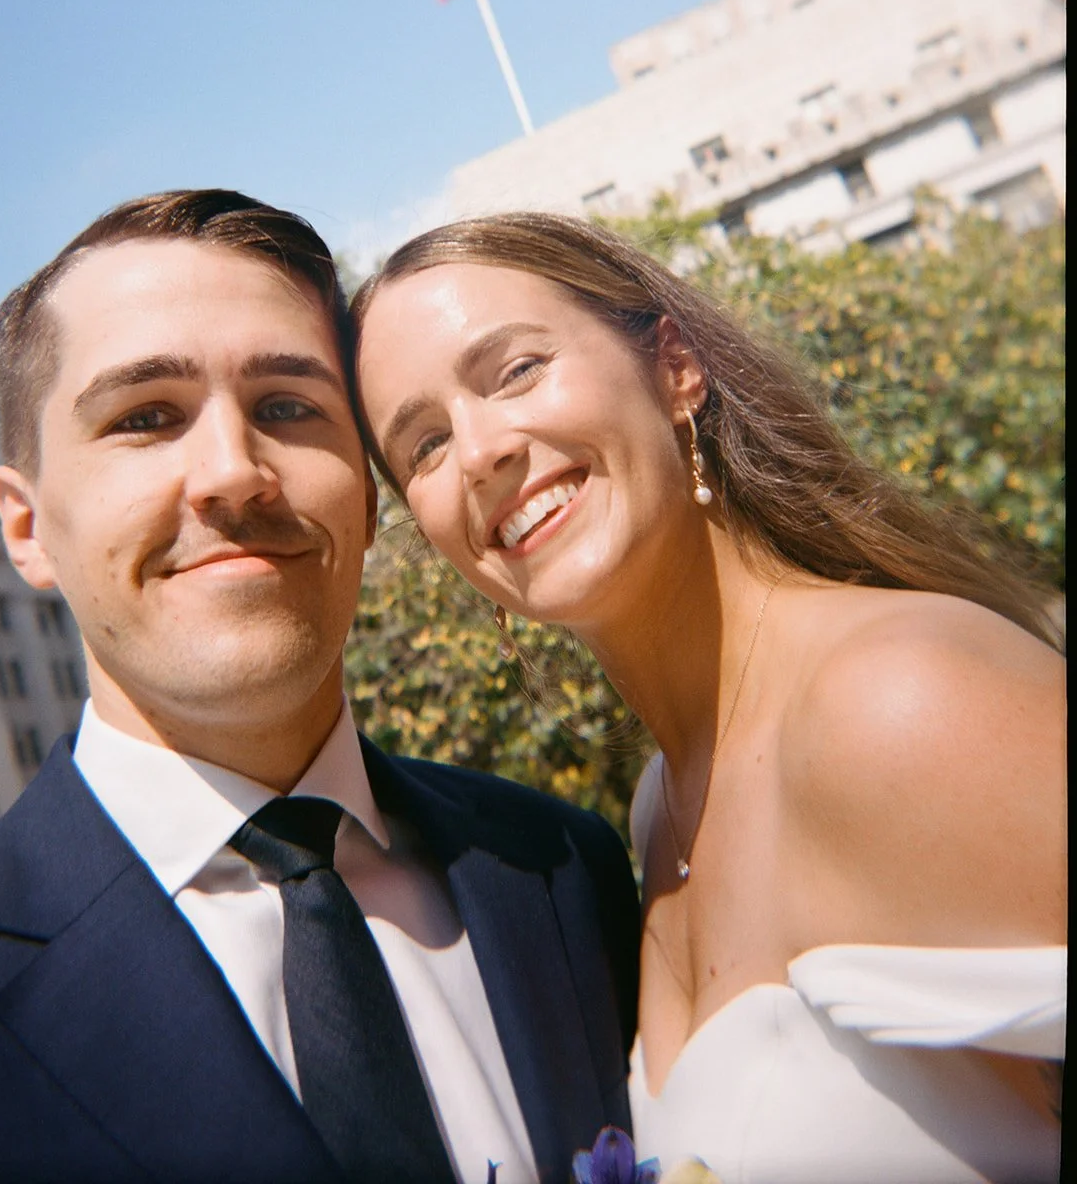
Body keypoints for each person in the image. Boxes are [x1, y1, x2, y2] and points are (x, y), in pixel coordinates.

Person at [0, 190, 641, 1184]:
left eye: (287, 407)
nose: (232, 474)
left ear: (367, 500)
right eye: (144, 416)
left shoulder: (560, 868)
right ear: (25, 527)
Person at [353, 210, 1066, 1184]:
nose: (477, 451)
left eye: (515, 369)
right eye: (424, 442)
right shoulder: (656, 814)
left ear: (674, 365)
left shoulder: (893, 700)